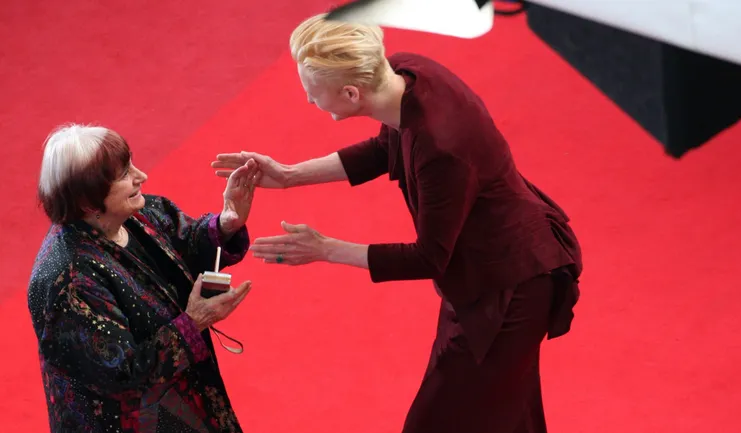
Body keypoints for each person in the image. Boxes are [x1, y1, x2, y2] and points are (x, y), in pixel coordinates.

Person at [213, 13, 582, 433]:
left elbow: (429, 257)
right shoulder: (403, 73)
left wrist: (323, 248)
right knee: (505, 415)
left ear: (351, 93)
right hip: (485, 275)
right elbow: (386, 144)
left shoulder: (442, 147)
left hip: (511, 288)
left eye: (313, 93)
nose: (309, 102)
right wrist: (289, 174)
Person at [29, 124, 258, 433]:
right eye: (124, 174)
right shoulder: (69, 280)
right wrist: (194, 322)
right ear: (87, 200)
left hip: (184, 407)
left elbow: (186, 242)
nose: (141, 176)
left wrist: (226, 224)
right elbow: (122, 375)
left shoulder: (138, 213)